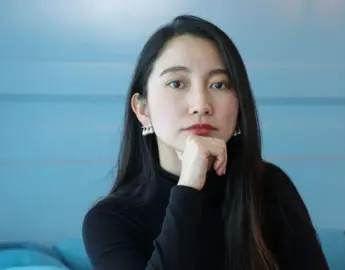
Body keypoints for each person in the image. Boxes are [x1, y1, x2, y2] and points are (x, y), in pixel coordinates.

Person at [82, 14, 330, 270]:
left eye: (219, 85)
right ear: (142, 109)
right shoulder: (109, 220)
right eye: (177, 83)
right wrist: (189, 186)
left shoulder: (268, 186)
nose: (201, 105)